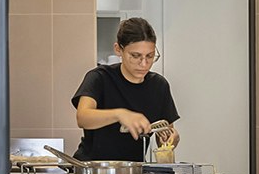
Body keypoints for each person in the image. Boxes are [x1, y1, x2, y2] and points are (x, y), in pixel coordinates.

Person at [71, 16, 181, 162]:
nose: (144, 64)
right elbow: (83, 117)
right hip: (94, 168)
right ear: (118, 49)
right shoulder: (100, 78)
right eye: (135, 56)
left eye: (150, 56)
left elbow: (165, 134)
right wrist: (120, 114)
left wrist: (170, 140)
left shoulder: (159, 86)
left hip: (133, 170)